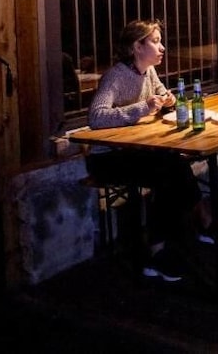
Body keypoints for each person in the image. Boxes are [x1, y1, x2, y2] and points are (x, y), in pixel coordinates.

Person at [85, 19, 206, 283]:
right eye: (155, 41)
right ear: (137, 47)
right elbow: (96, 117)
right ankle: (157, 252)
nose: (162, 47)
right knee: (168, 172)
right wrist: (143, 108)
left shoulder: (148, 71)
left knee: (174, 163)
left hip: (135, 151)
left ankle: (194, 227)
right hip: (107, 158)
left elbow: (161, 96)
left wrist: (169, 100)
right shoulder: (116, 76)